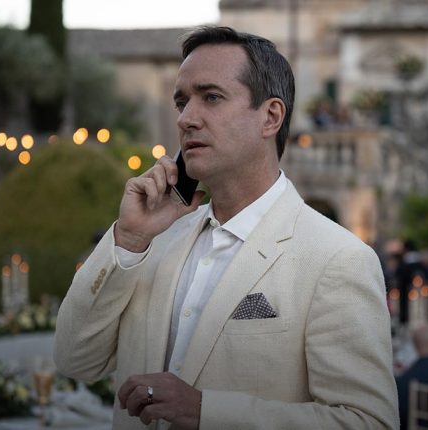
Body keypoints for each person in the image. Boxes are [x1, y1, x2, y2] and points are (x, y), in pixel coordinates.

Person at [53, 26, 398, 430]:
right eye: (181, 102)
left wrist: (205, 411)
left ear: (270, 117)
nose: (186, 119)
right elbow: (75, 360)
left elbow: (367, 421)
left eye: (211, 97)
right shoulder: (153, 241)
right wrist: (129, 239)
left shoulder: (338, 260)